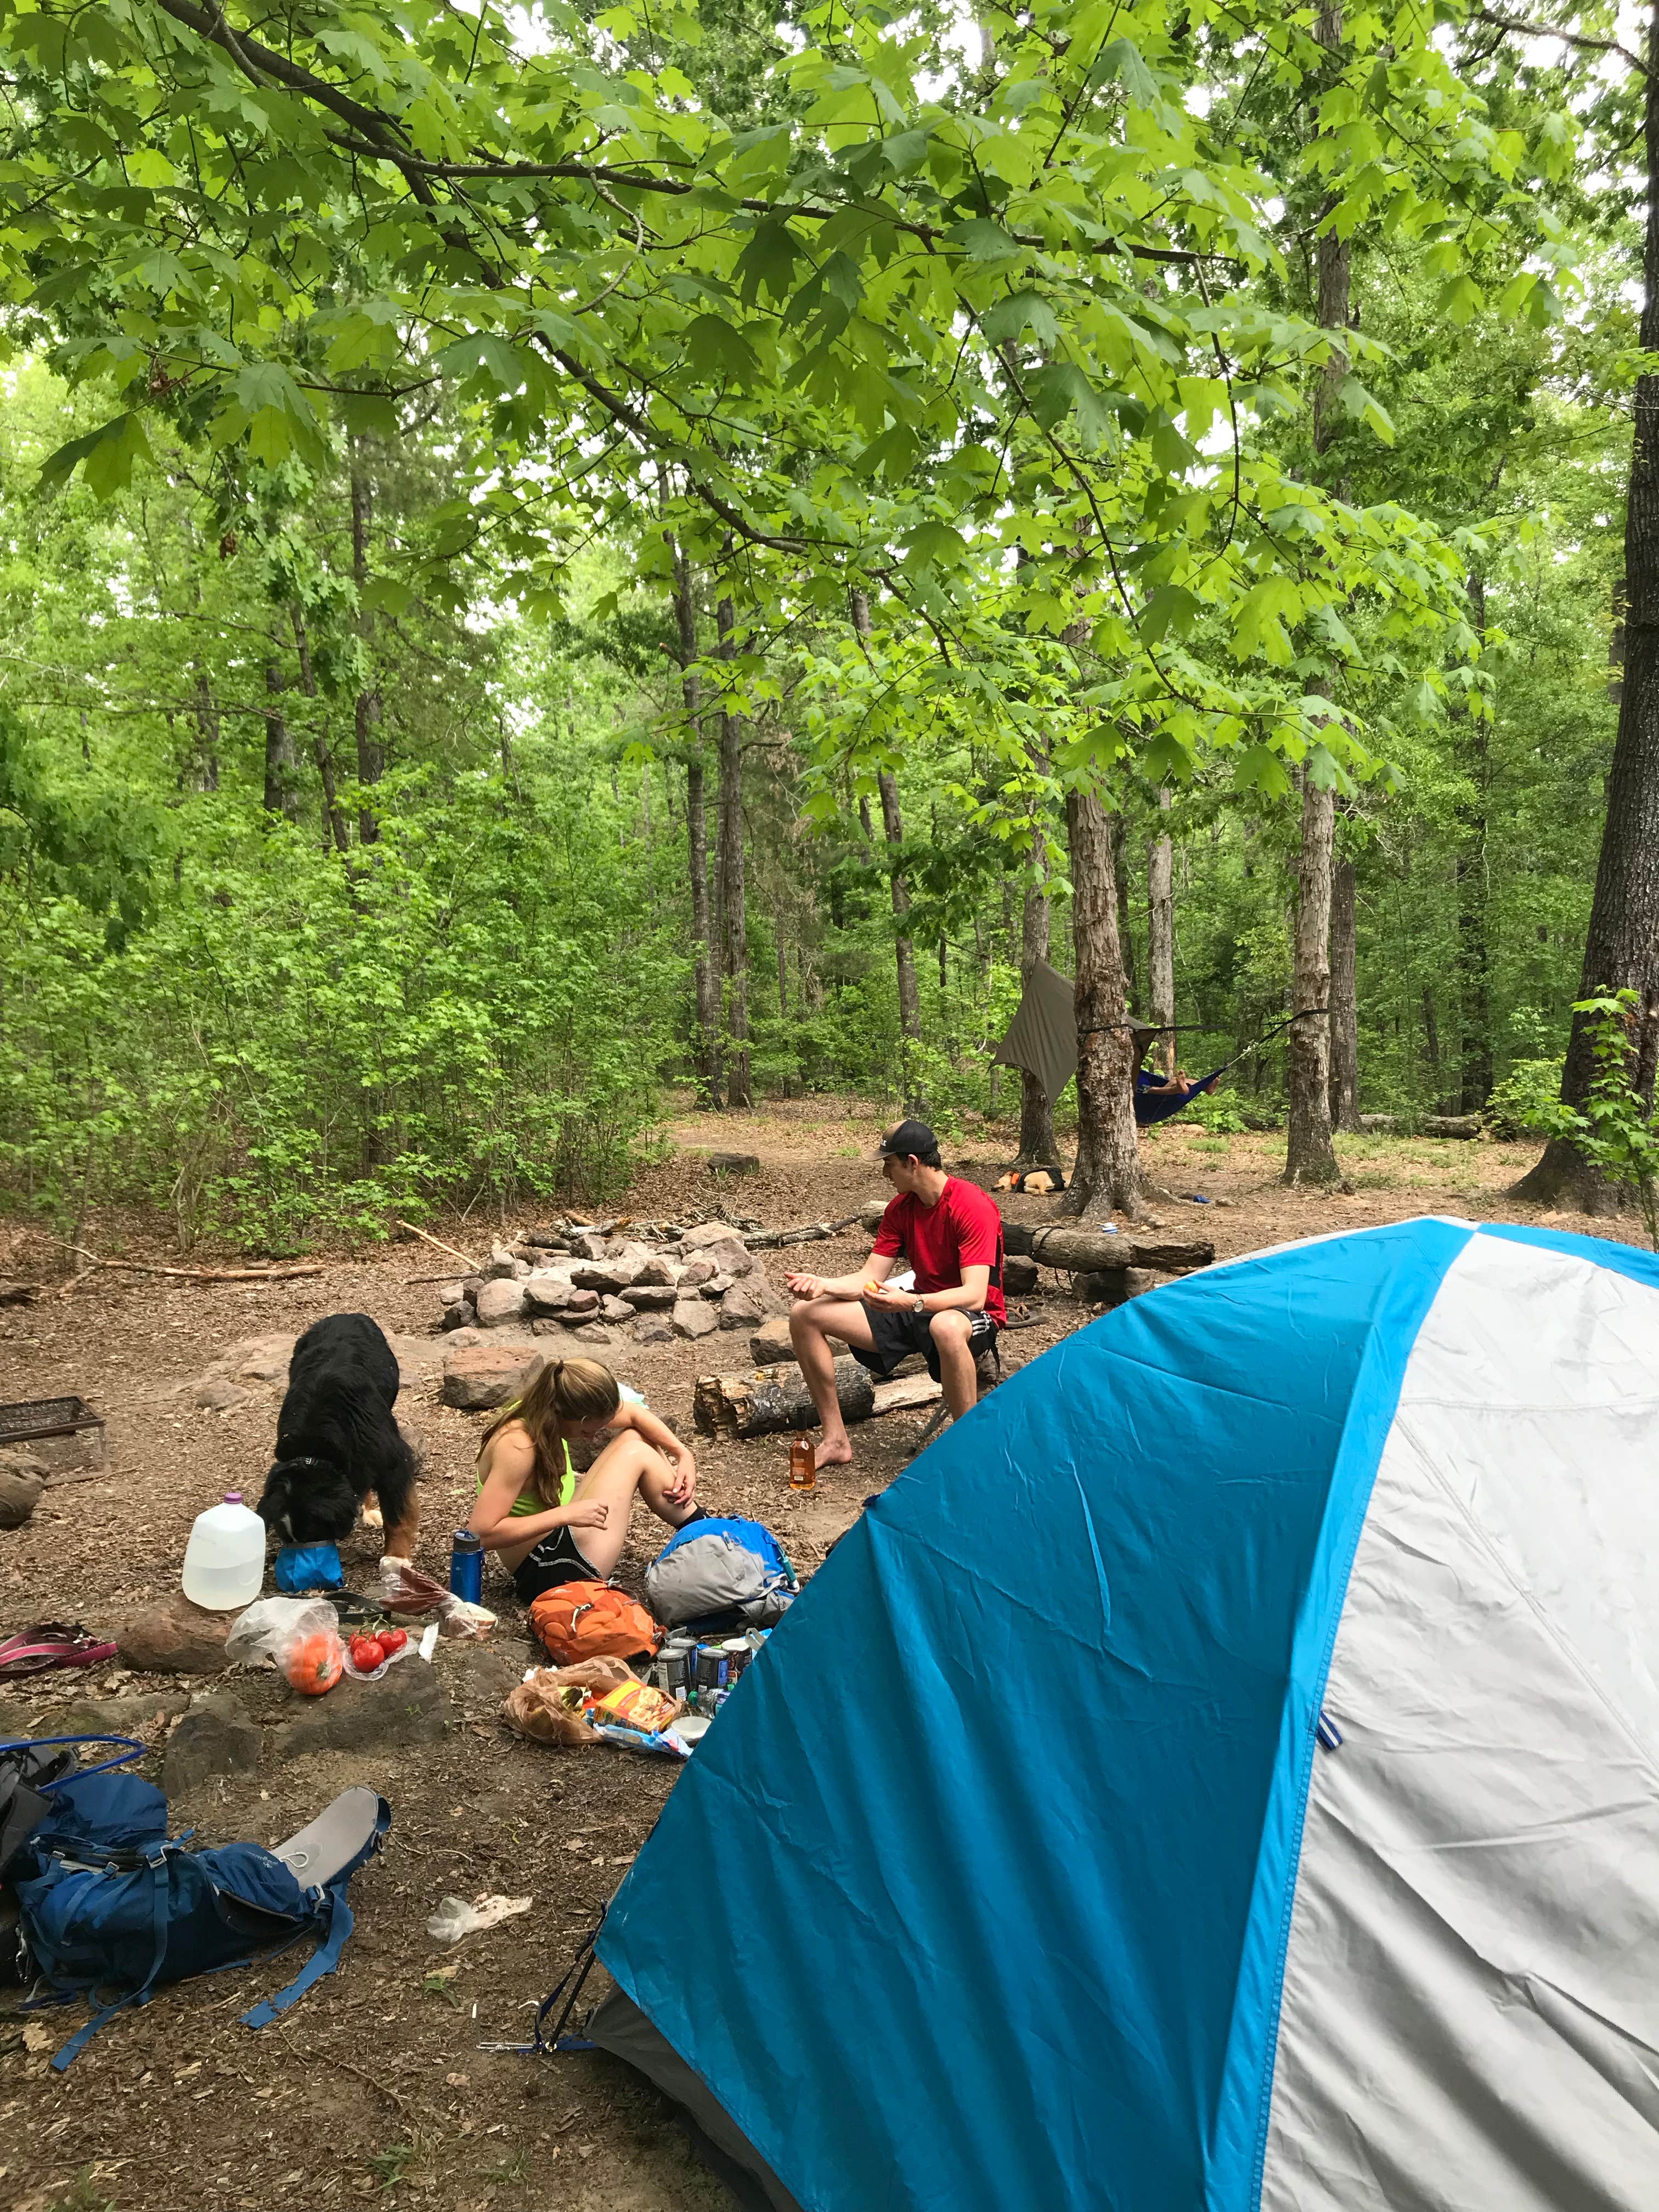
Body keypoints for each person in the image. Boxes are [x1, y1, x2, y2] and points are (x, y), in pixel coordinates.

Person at [785, 1118, 1005, 1468]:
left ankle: (969, 1449)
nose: (885, 1173)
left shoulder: (970, 1205)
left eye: (889, 1163)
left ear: (912, 1163)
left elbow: (974, 1295)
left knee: (945, 1326)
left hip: (970, 1316)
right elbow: (869, 1277)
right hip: (917, 1306)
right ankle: (836, 1440)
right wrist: (824, 1284)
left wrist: (912, 1302)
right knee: (805, 1315)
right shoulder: (900, 1209)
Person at [469, 1356, 701, 1605]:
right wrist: (564, 1515)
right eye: (586, 1431)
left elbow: (634, 1414)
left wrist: (682, 1453)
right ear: (566, 1415)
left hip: (556, 1539)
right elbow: (480, 1535)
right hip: (545, 1570)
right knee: (637, 1452)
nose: (590, 1439)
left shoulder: (547, 1407)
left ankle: (705, 1530)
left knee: (637, 1436)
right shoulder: (518, 1447)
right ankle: (708, 1534)